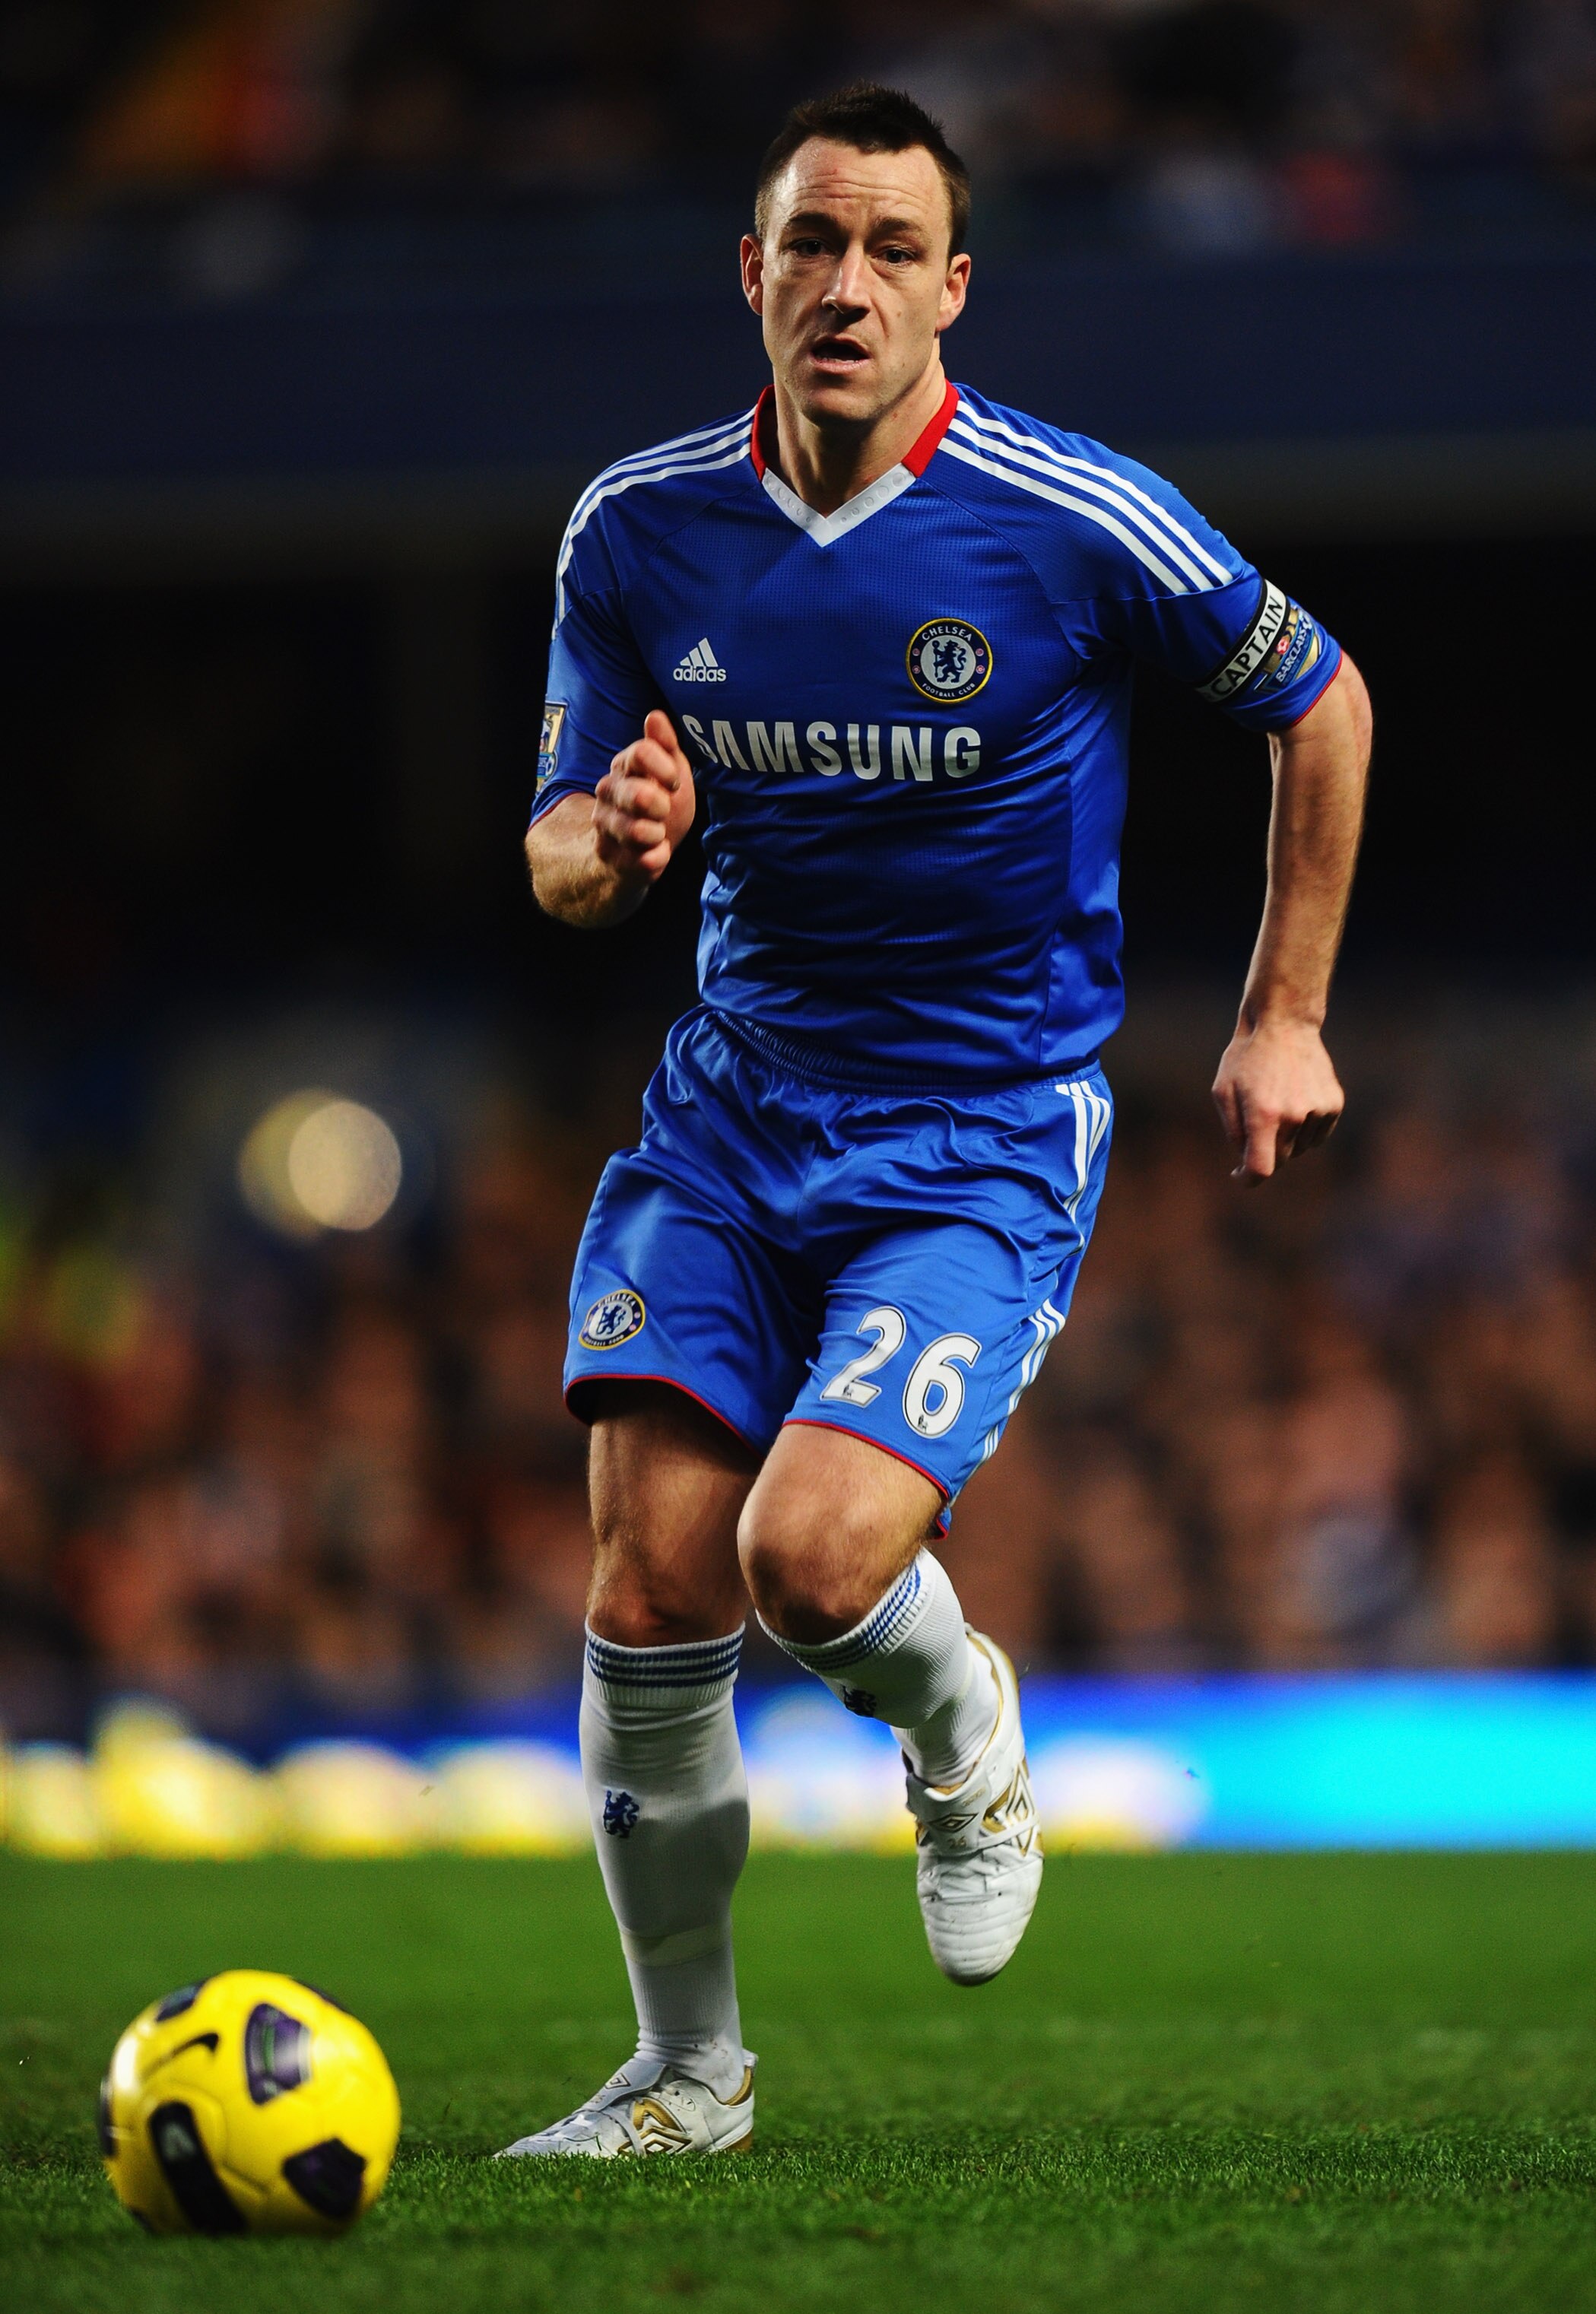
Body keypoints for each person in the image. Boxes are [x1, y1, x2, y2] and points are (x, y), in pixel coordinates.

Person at [501, 82, 1371, 2160]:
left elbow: (1319, 698)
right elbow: (552, 849)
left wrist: (1282, 1016)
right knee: (650, 1590)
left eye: (893, 248)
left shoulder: (1073, 518)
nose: (848, 284)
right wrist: (611, 845)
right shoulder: (635, 529)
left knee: (809, 1564)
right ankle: (687, 2074)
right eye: (813, 241)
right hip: (730, 1114)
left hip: (976, 1130)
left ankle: (963, 1723)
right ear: (752, 271)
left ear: (952, 287)